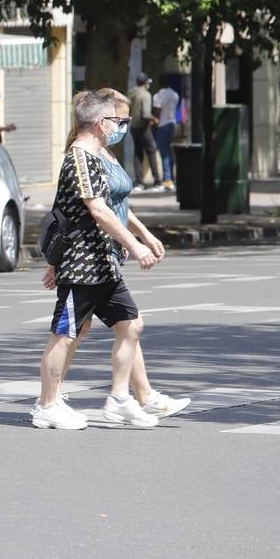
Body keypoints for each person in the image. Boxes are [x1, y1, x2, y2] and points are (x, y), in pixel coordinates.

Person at [32, 88, 183, 430]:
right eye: (117, 121)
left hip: (104, 263)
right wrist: (137, 244)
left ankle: (119, 399)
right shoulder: (79, 158)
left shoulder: (95, 155)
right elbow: (98, 209)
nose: (120, 127)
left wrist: (140, 238)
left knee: (131, 324)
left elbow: (111, 207)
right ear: (102, 123)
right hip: (82, 264)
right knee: (66, 334)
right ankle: (47, 404)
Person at [128, 74, 163, 190]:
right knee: (151, 151)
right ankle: (157, 181)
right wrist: (154, 119)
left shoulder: (131, 93)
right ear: (145, 83)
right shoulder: (146, 95)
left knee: (138, 153)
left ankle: (139, 182)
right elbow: (146, 114)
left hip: (133, 126)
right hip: (143, 127)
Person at [153, 80, 180, 191]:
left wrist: (155, 121)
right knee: (169, 152)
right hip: (172, 124)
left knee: (164, 153)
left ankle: (168, 180)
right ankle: (171, 178)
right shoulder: (175, 95)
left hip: (162, 125)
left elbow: (157, 110)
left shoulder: (159, 95)